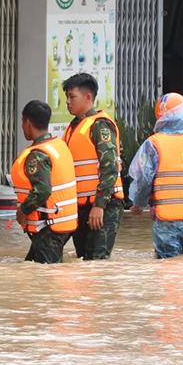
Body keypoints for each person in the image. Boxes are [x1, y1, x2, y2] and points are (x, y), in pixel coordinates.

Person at [128, 93, 183, 259]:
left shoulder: (155, 143)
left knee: (168, 268)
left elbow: (144, 180)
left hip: (168, 220)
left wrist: (138, 204)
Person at [60, 72, 124, 260]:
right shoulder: (72, 128)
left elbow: (110, 167)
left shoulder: (100, 126)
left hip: (104, 204)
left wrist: (99, 205)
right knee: (83, 260)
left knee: (96, 260)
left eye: (72, 97)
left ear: (88, 97)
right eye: (67, 97)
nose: (68, 102)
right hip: (81, 206)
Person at [11, 99, 79, 263]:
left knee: (47, 278)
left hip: (48, 228)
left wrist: (23, 211)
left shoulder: (37, 155)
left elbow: (42, 190)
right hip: (62, 224)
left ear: (27, 122)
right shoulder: (59, 146)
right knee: (32, 269)